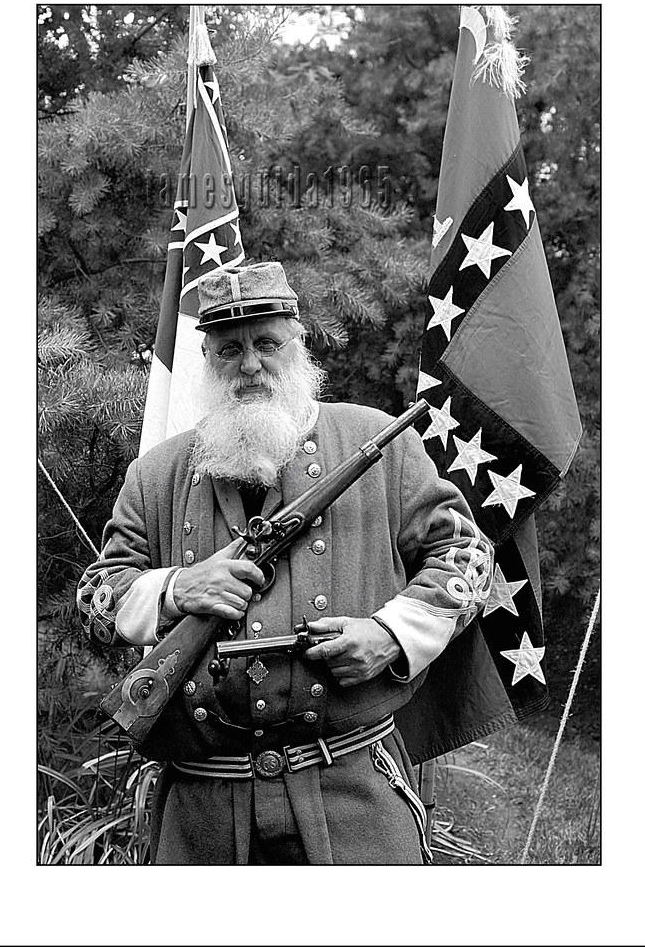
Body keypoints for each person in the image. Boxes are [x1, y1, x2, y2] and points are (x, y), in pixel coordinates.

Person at [78, 261, 494, 865]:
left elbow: (466, 554)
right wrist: (176, 589)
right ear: (206, 358)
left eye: (267, 344)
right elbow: (96, 597)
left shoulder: (380, 441)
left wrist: (391, 634)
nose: (250, 365)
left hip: (353, 792)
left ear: (297, 345)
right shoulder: (155, 474)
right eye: (230, 349)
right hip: (201, 812)